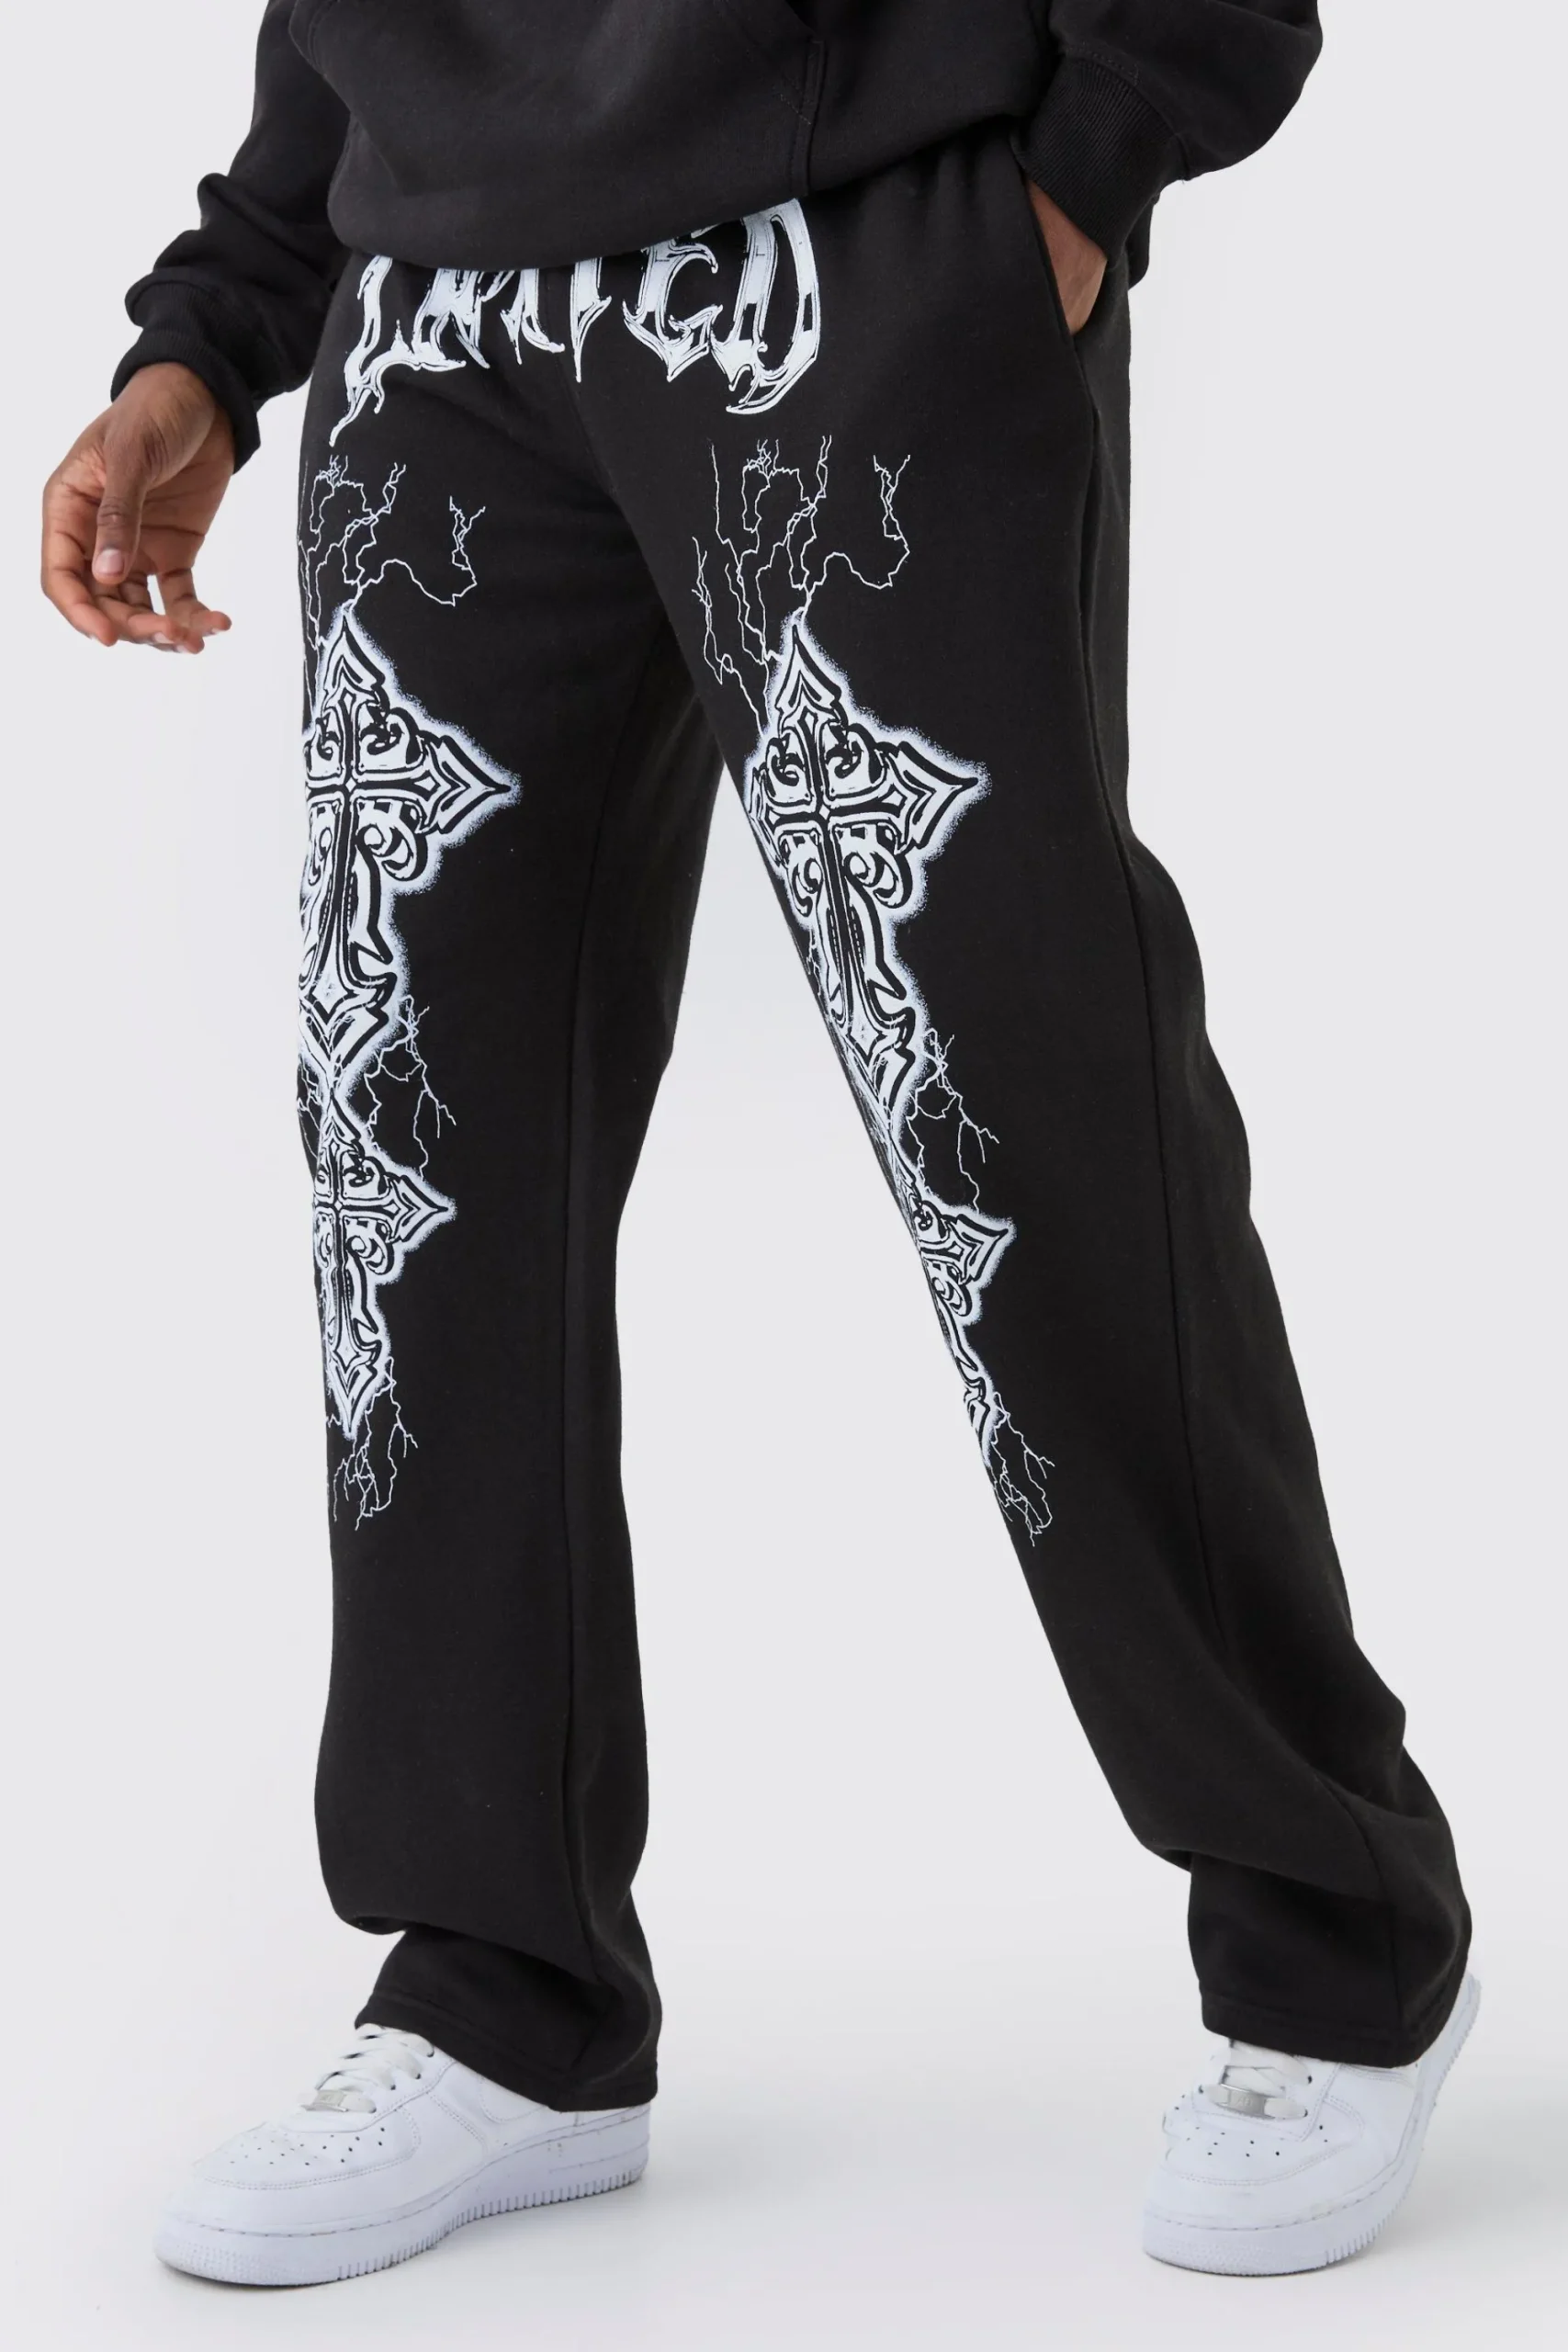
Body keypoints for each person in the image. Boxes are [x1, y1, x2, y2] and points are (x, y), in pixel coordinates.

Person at [40, 0, 1475, 2289]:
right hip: (444, 318)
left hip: (856, 263)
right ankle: (504, 1992)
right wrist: (226, 321)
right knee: (417, 1147)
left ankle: (1335, 1928)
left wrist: (1096, 158)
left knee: (1017, 1109)